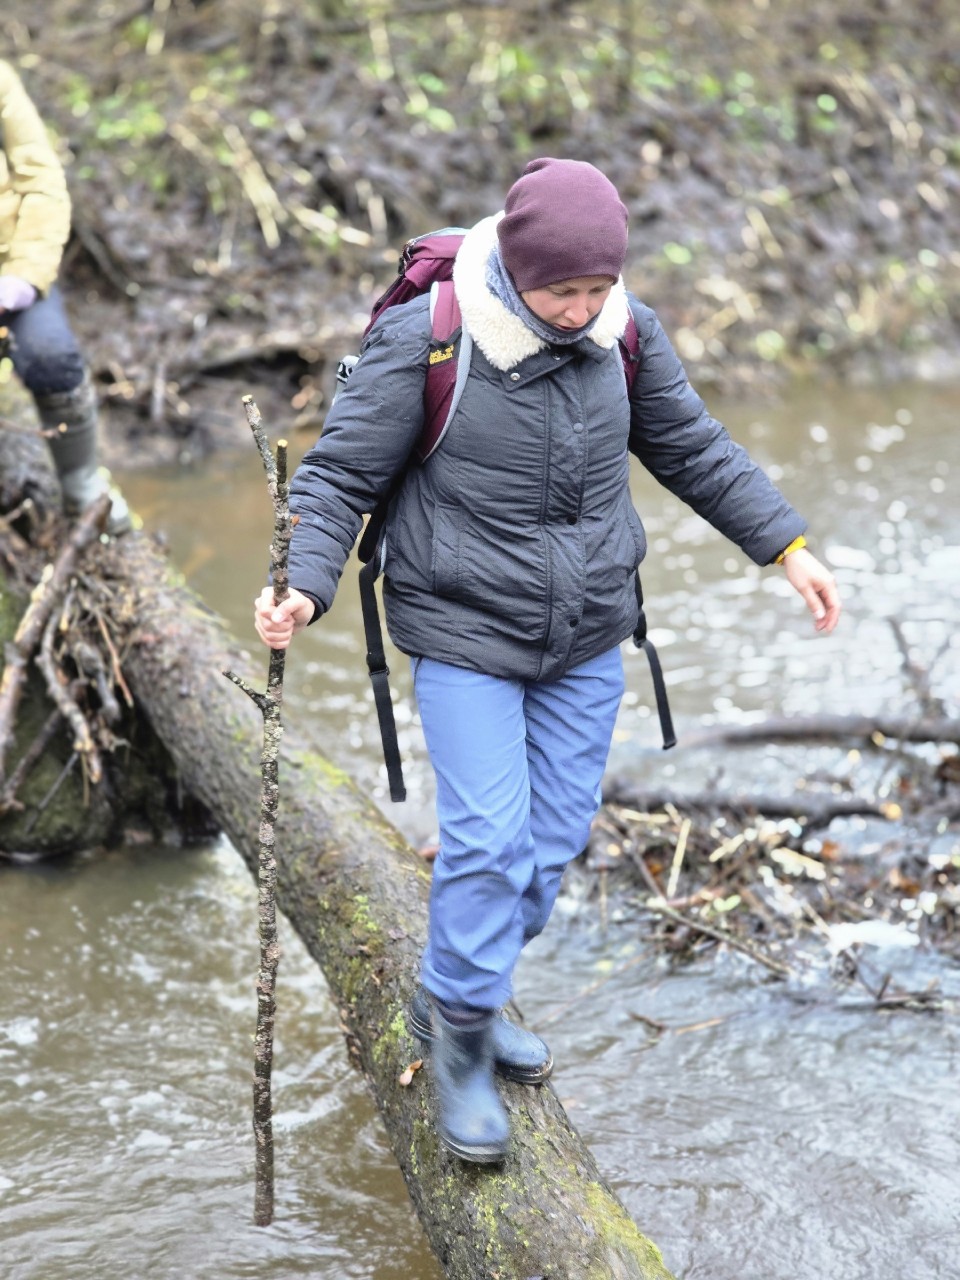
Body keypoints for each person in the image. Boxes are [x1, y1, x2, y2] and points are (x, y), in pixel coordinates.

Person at [254, 158, 841, 1164]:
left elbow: (695, 450)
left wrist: (787, 546)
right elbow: (340, 473)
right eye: (561, 290)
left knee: (549, 845)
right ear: (517, 270)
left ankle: (462, 990)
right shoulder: (432, 336)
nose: (579, 310)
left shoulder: (627, 333)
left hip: (587, 635)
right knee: (487, 843)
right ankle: (460, 1040)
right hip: (464, 632)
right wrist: (303, 584)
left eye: (597, 287)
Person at [0, 58, 129, 533]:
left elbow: (42, 181)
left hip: (12, 266)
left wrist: (23, 276)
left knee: (51, 356)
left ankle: (81, 484)